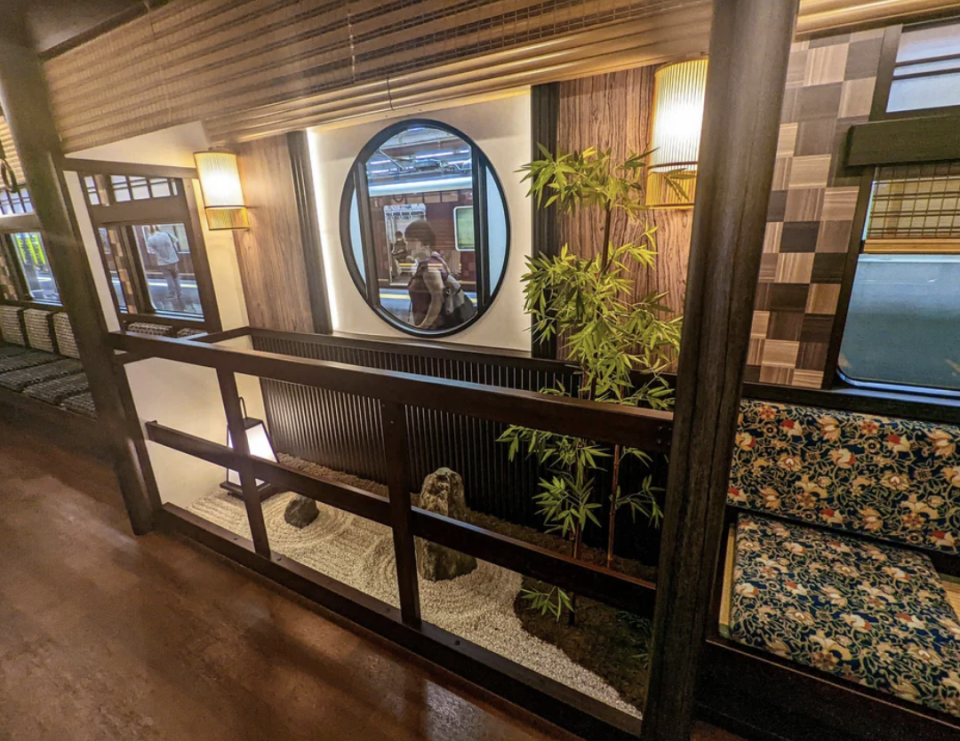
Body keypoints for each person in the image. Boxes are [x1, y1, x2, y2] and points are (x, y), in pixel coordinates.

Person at [404, 220, 476, 331]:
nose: (407, 246)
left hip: (435, 327)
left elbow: (437, 300)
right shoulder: (436, 259)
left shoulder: (429, 269)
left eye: (411, 241)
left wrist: (422, 327)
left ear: (425, 244)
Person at [145, 225, 182, 308]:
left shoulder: (151, 239)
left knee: (169, 279)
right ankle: (179, 294)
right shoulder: (166, 234)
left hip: (163, 263)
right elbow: (176, 240)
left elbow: (150, 250)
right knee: (176, 277)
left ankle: (172, 295)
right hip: (173, 260)